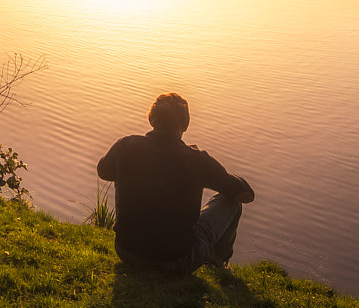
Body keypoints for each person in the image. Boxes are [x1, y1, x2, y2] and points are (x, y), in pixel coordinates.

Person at [96, 92, 254, 274]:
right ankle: (218, 264)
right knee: (231, 203)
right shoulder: (197, 159)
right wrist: (210, 167)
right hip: (178, 261)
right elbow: (245, 194)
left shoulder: (126, 145)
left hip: (126, 251)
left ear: (151, 119)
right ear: (184, 125)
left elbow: (103, 171)